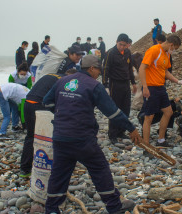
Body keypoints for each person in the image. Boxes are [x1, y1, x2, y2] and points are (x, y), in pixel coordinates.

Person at [45, 55, 140, 214]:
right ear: (91, 68)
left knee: (59, 174)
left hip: (60, 137)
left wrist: (64, 114)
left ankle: (52, 209)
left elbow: (47, 102)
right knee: (100, 170)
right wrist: (131, 128)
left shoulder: (62, 81)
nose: (99, 74)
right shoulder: (94, 86)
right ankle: (114, 207)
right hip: (82, 139)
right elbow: (112, 112)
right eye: (98, 71)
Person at [20, 69, 78, 178]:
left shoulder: (51, 75)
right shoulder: (65, 80)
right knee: (51, 136)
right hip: (40, 105)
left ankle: (24, 169)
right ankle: (52, 166)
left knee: (30, 136)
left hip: (28, 103)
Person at [139, 35, 182, 147]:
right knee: (148, 117)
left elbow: (165, 72)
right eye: (175, 48)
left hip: (160, 87)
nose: (174, 51)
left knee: (168, 112)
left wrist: (178, 81)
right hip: (151, 88)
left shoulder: (167, 54)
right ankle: (146, 146)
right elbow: (142, 68)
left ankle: (161, 140)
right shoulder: (154, 50)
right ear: (171, 45)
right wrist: (145, 87)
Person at [102, 34, 137, 144]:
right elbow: (105, 69)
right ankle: (112, 134)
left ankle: (121, 131)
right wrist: (105, 85)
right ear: (116, 42)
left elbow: (130, 68)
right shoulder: (111, 53)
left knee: (126, 108)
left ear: (127, 45)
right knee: (115, 109)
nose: (122, 47)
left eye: (124, 45)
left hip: (126, 84)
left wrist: (133, 83)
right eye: (120, 44)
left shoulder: (127, 52)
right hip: (115, 84)